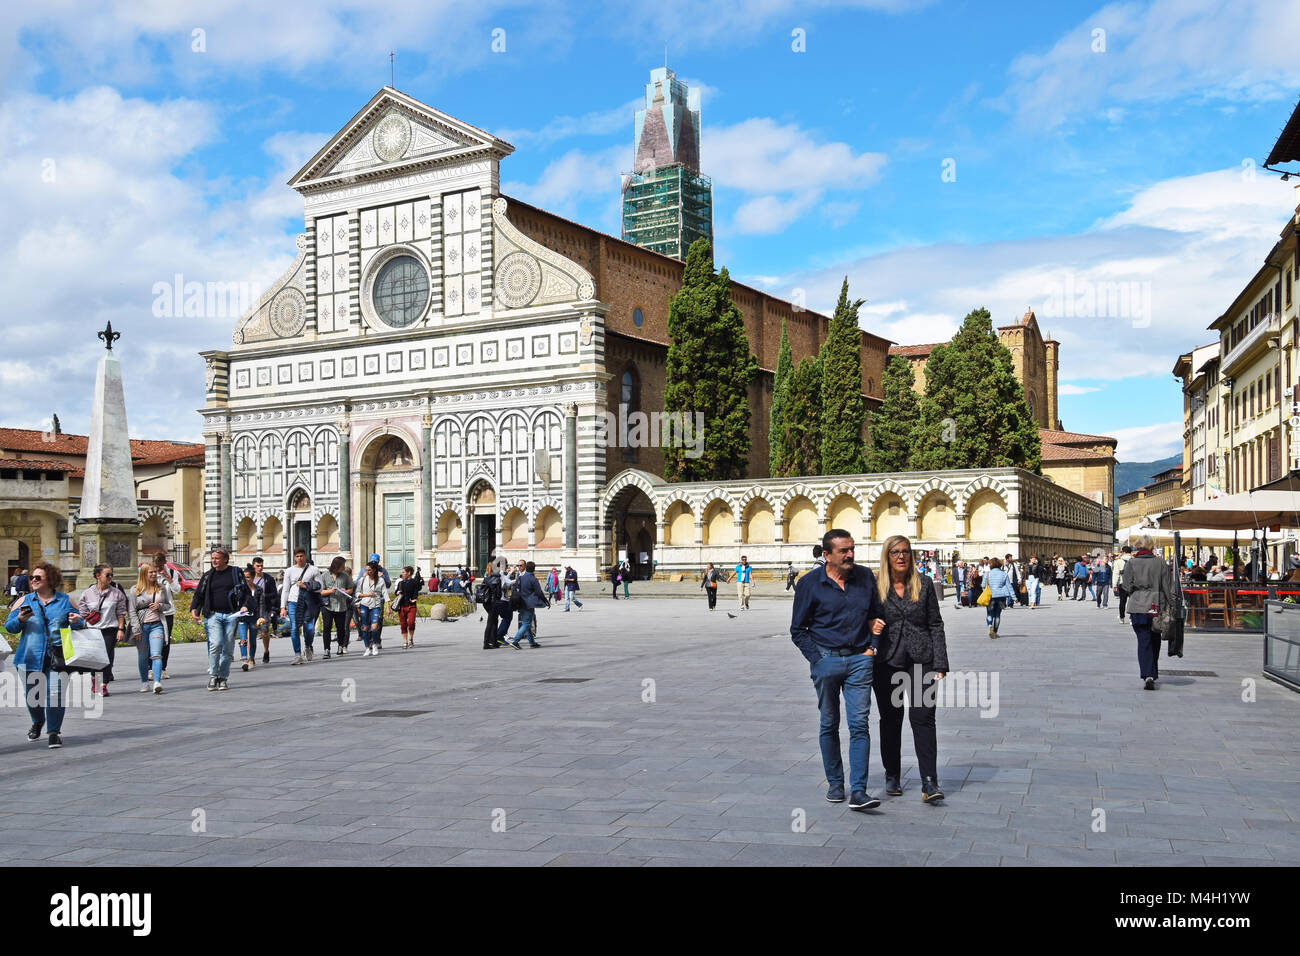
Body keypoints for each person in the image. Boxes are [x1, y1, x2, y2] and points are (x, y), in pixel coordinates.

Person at [790, 529, 887, 812]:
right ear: (826, 555)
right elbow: (798, 629)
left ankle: (858, 790)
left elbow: (877, 615)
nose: (850, 555)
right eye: (844, 550)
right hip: (827, 661)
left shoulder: (865, 578)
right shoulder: (809, 584)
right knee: (829, 723)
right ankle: (835, 782)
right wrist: (817, 660)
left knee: (859, 725)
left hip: (859, 659)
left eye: (852, 549)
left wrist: (873, 648)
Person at [873, 535, 949, 802]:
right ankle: (892, 774)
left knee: (924, 719)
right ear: (887, 556)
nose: (901, 556)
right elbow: (866, 618)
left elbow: (936, 624)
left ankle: (930, 781)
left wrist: (940, 663)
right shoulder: (876, 586)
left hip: (922, 660)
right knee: (891, 720)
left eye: (905, 551)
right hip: (887, 662)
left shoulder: (924, 584)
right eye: (895, 552)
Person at [5, 561, 86, 748]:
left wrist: (75, 621)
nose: (33, 580)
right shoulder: (24, 601)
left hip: (57, 658)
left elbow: (79, 624)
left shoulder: (65, 601)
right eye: (31, 577)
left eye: (37, 577)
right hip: (29, 657)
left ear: (50, 580)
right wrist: (19, 619)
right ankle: (37, 721)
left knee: (55, 694)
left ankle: (54, 732)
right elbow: (9, 627)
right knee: (33, 698)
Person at [190, 546, 250, 691]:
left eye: (217, 558)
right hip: (213, 615)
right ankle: (213, 675)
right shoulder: (208, 575)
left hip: (231, 615)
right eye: (212, 558)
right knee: (215, 644)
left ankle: (223, 678)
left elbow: (246, 592)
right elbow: (199, 594)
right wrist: (194, 609)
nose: (214, 561)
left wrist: (244, 606)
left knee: (228, 648)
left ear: (225, 559)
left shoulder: (235, 573)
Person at [1120, 534, 1173, 690]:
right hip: (1157, 605)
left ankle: (1147, 674)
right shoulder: (1160, 563)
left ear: (1138, 546)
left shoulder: (1131, 563)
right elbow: (1168, 586)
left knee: (1143, 641)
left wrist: (1135, 593)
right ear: (1151, 546)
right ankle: (1152, 672)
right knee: (1155, 640)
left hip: (1138, 606)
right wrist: (1173, 605)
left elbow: (1127, 586)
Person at [79, 564, 126, 697]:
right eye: (107, 575)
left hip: (110, 629)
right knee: (94, 657)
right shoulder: (87, 593)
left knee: (105, 656)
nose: (110, 577)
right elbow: (82, 612)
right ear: (98, 576)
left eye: (112, 575)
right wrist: (88, 617)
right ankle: (95, 678)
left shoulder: (117, 593)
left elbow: (121, 613)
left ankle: (103, 684)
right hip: (93, 630)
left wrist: (120, 629)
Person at [128, 566, 172, 694]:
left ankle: (157, 682)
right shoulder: (135, 590)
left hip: (157, 625)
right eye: (151, 572)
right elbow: (131, 611)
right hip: (142, 627)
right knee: (142, 656)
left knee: (156, 654)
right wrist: (136, 630)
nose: (154, 574)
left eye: (155, 572)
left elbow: (168, 605)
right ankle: (144, 682)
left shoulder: (161, 588)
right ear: (143, 574)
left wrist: (160, 606)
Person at [280, 548, 322, 664]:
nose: (300, 558)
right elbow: (285, 589)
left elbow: (320, 587)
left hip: (308, 602)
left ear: (305, 556)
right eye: (297, 556)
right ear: (294, 557)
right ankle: (297, 654)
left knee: (309, 628)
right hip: (293, 601)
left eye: (301, 556)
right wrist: (283, 607)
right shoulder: (289, 571)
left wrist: (306, 585)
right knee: (294, 628)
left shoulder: (314, 570)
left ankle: (308, 646)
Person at [505, 560, 548, 649]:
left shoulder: (520, 577)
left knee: (526, 622)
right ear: (534, 569)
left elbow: (514, 589)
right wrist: (546, 601)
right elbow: (539, 592)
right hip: (529, 604)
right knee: (527, 623)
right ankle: (515, 641)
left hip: (520, 602)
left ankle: (532, 642)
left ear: (526, 568)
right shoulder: (533, 579)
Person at [151, 552, 181, 678]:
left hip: (167, 612)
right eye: (155, 566)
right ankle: (150, 669)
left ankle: (163, 669)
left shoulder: (172, 573)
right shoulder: (149, 573)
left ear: (164, 564)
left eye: (160, 567)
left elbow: (177, 590)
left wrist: (167, 577)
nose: (157, 570)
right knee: (151, 640)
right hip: (152, 612)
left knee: (165, 641)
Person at [355, 560, 391, 656]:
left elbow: (385, 593)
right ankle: (367, 647)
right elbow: (357, 593)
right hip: (364, 604)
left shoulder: (380, 580)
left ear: (374, 570)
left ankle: (374, 644)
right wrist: (366, 594)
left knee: (374, 626)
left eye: (369, 570)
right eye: (366, 570)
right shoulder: (362, 580)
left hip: (376, 605)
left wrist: (388, 607)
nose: (367, 572)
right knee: (365, 627)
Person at [320, 556, 353, 657]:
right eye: (342, 565)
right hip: (328, 606)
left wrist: (345, 591)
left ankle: (340, 646)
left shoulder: (345, 576)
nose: (344, 567)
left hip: (341, 606)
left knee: (341, 628)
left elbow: (351, 589)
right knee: (326, 628)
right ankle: (326, 649)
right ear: (336, 565)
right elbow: (321, 591)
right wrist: (330, 591)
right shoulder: (324, 576)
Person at [249, 557, 278, 664]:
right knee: (250, 631)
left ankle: (266, 650)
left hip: (265, 607)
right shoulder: (249, 578)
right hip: (251, 607)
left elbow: (274, 594)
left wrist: (264, 595)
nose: (260, 568)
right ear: (253, 566)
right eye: (258, 566)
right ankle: (251, 656)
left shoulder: (268, 579)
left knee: (265, 631)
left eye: (261, 566)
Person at [985, 556, 1013, 639]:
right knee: (997, 614)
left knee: (989, 613)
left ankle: (990, 625)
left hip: (990, 596)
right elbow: (1009, 586)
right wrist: (1014, 597)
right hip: (1001, 596)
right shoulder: (1004, 574)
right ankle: (995, 632)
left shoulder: (987, 574)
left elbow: (983, 585)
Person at [395, 566, 421, 649]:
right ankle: (405, 641)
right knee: (403, 624)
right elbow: (396, 592)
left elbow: (416, 591)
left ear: (409, 573)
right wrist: (397, 592)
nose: (402, 574)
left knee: (411, 622)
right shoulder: (400, 583)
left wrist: (414, 598)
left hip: (411, 605)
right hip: (402, 605)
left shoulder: (414, 582)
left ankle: (411, 639)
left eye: (403, 572)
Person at [481, 566, 505, 649]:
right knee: (491, 622)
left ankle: (494, 642)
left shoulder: (486, 578)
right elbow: (498, 593)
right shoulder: (497, 578)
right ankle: (486, 643)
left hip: (486, 602)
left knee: (494, 620)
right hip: (493, 602)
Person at [1113, 545, 1133, 620]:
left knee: (1122, 601)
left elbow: (1116, 574)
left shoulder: (1118, 561)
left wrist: (1114, 585)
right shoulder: (1134, 560)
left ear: (1123, 552)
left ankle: (1122, 617)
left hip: (1122, 583)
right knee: (1132, 601)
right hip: (1132, 584)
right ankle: (1132, 617)